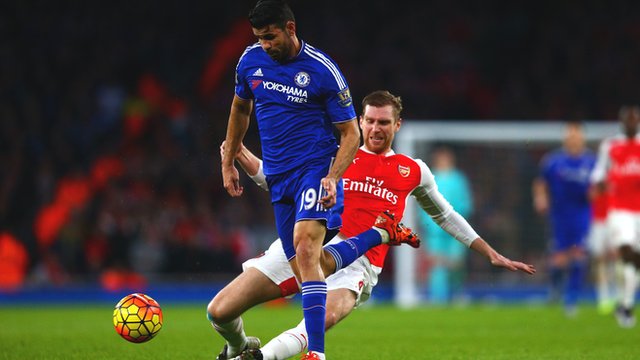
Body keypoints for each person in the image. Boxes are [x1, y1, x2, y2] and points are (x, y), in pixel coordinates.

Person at [210, 90, 535, 360]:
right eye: (370, 121)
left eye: (384, 122)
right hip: (308, 243)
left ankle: (260, 357)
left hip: (358, 265)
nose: (376, 128)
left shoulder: (413, 170)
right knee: (219, 311)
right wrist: (241, 153)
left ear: (398, 125)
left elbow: (446, 215)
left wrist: (490, 253)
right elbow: (278, 182)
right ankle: (239, 347)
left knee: (322, 319)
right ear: (360, 122)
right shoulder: (333, 156)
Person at [220, 1, 383, 358]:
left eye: (270, 37)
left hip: (314, 170)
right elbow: (240, 108)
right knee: (306, 264)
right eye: (259, 38)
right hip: (280, 182)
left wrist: (332, 177)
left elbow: (351, 133)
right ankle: (377, 236)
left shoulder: (323, 70)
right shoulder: (250, 61)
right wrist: (229, 158)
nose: (265, 45)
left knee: (306, 249)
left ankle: (316, 354)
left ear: (290, 29)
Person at [532, 121, 596, 316]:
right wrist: (540, 198)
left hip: (582, 213)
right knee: (559, 259)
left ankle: (572, 300)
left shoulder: (592, 161)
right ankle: (555, 289)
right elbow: (540, 183)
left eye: (577, 137)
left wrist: (597, 195)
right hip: (559, 214)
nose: (574, 140)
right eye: (570, 137)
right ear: (565, 139)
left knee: (578, 256)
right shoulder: (553, 161)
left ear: (582, 139)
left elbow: (601, 185)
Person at [591, 105, 640, 328]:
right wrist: (600, 185)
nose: (631, 123)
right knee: (627, 252)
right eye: (628, 120)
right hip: (619, 210)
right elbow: (599, 174)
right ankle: (625, 304)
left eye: (634, 120)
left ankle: (626, 304)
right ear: (622, 122)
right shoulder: (610, 146)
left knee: (632, 262)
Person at [417, 146, 473, 304]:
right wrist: (426, 222)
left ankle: (458, 295)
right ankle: (438, 300)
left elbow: (465, 203)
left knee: (455, 264)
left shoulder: (459, 179)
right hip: (435, 231)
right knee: (437, 266)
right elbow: (422, 204)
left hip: (456, 230)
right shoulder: (430, 178)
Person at [586, 187, 617, 315]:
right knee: (600, 260)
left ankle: (616, 295)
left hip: (615, 218)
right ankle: (603, 297)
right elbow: (588, 195)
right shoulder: (593, 171)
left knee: (616, 259)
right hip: (597, 220)